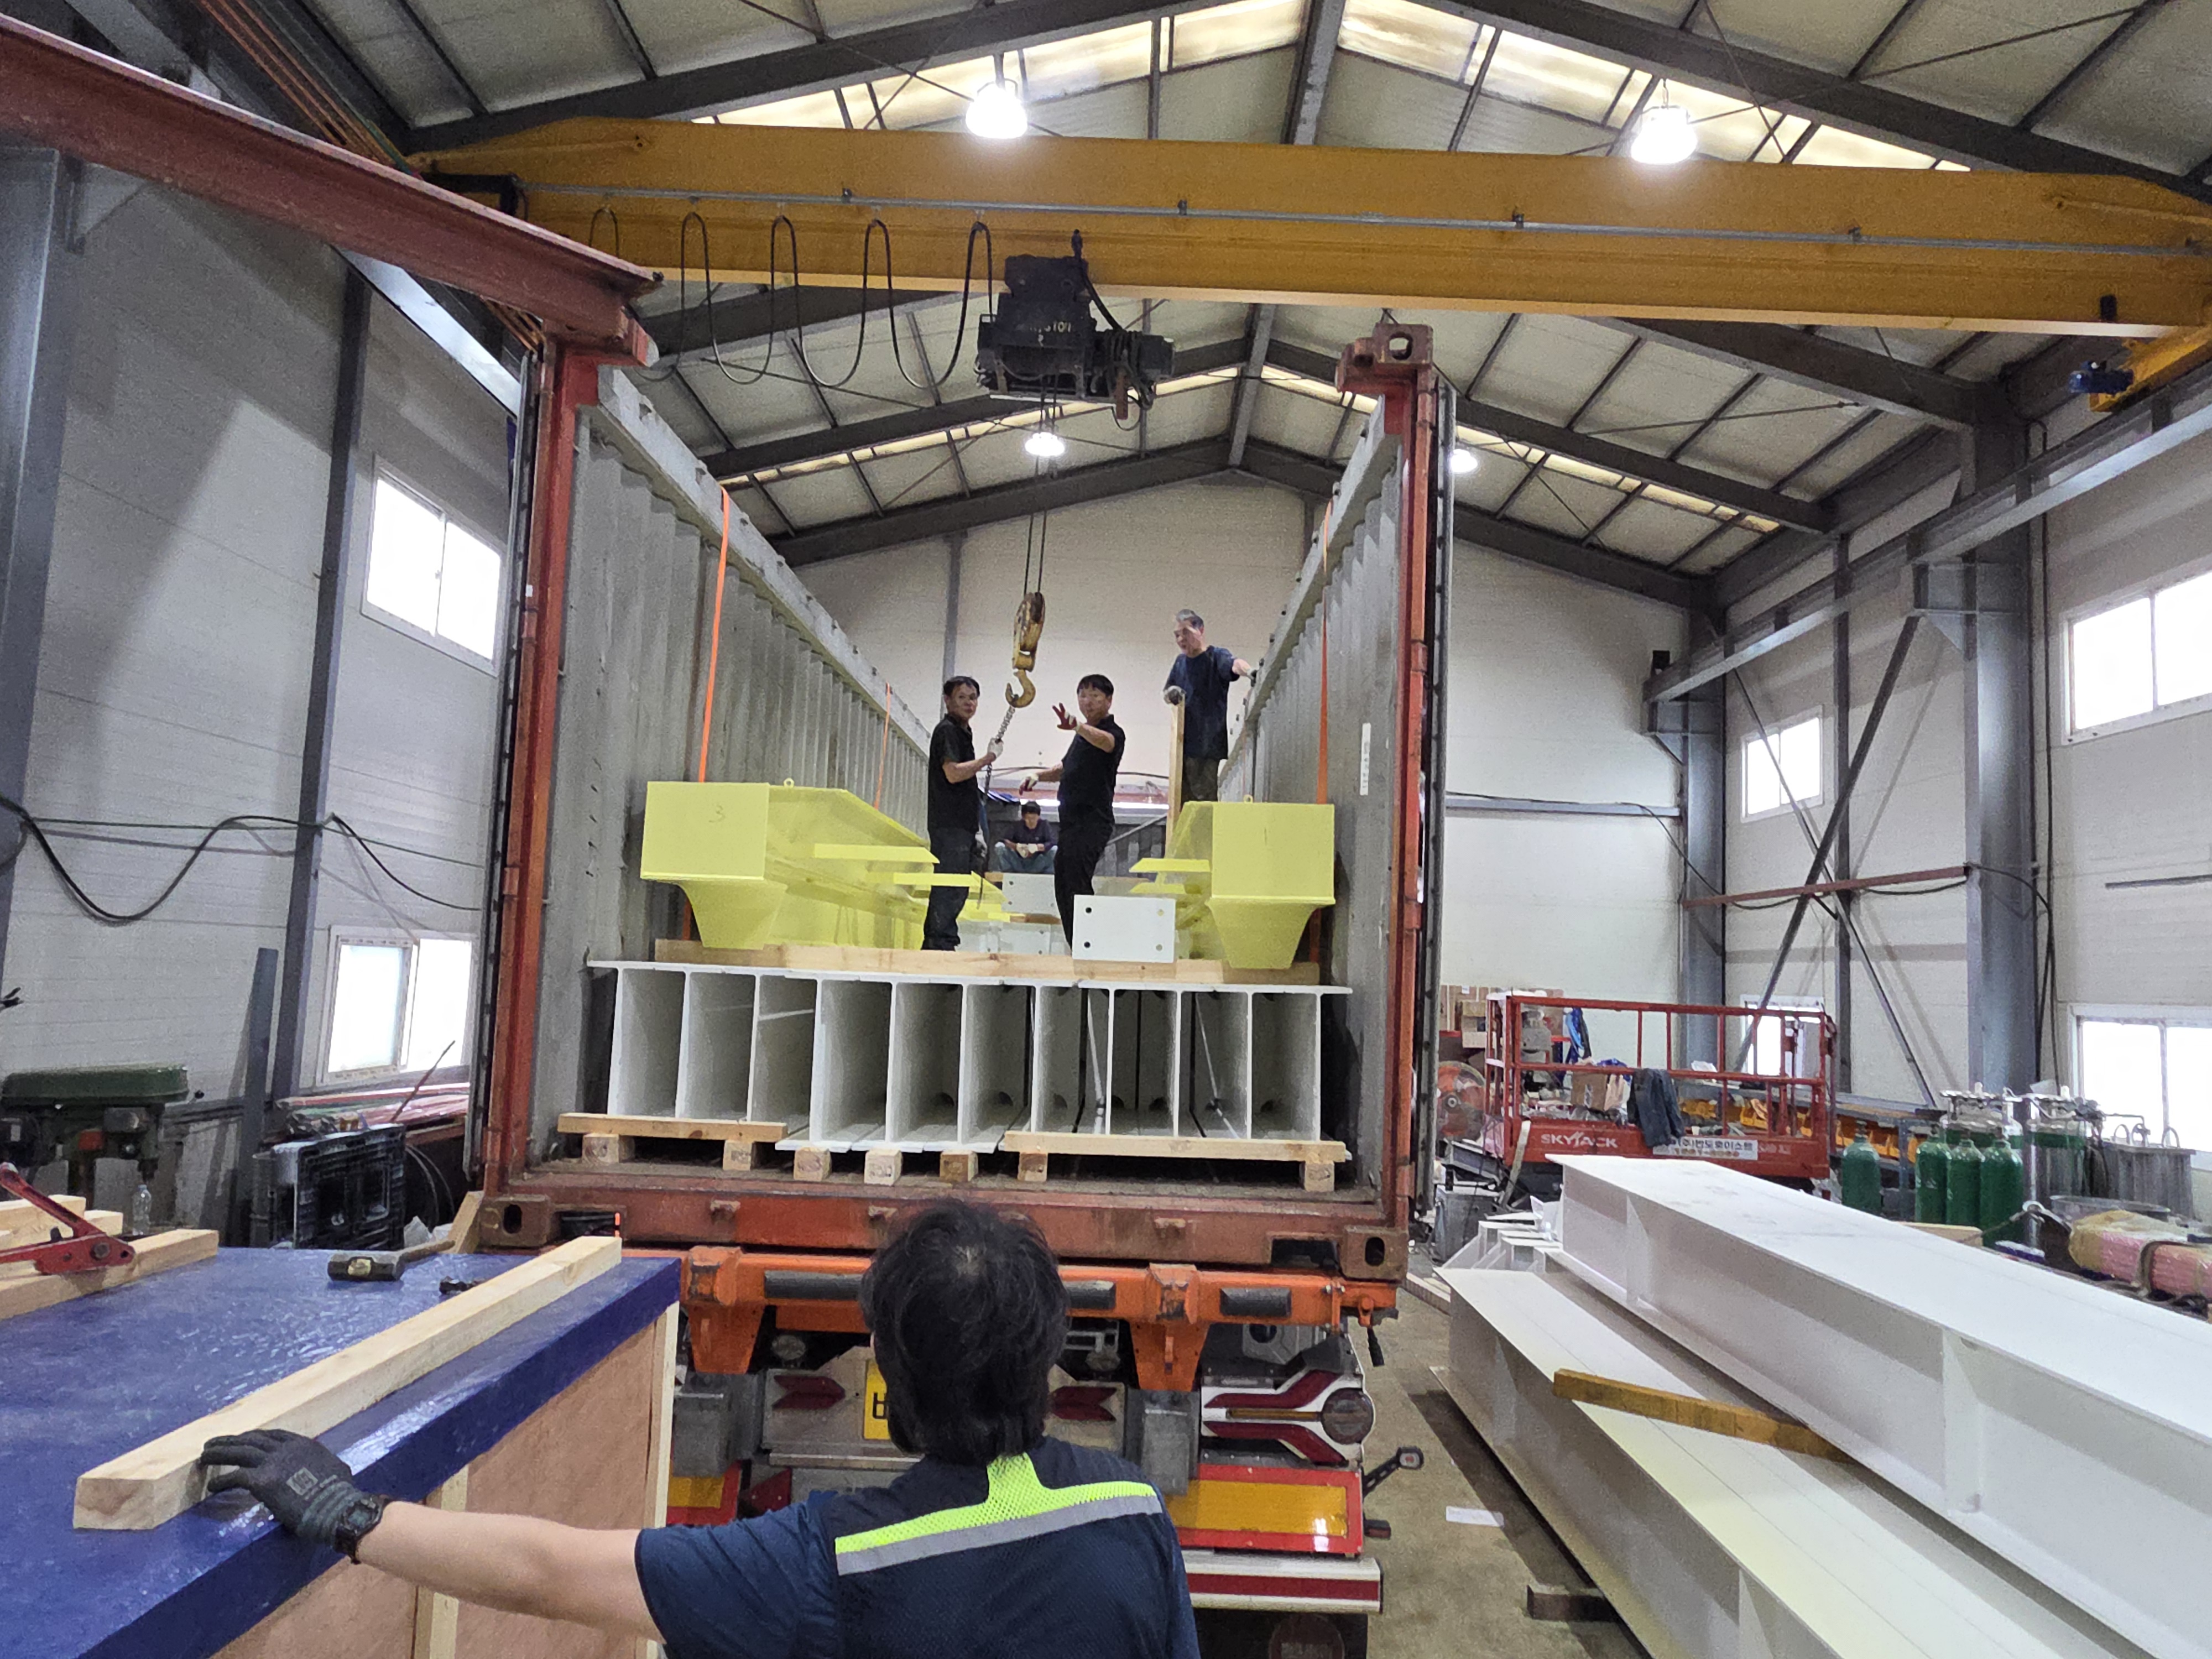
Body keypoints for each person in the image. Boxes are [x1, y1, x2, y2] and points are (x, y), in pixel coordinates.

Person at [196, 1203, 1200, 1659]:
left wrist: (350, 1512)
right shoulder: (1133, 1516)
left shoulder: (834, 1562)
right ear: (1050, 1352)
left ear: (889, 1375)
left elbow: (553, 1574)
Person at [1024, 674, 1124, 945]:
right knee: (1064, 883)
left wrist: (1078, 726)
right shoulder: (1082, 736)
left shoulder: (1112, 732)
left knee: (1077, 882)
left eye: (1095, 696)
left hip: (1093, 821)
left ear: (1109, 700)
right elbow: (1064, 768)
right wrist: (1038, 775)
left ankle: (1090, 944)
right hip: (1070, 823)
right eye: (1083, 695)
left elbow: (1107, 742)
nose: (1087, 701)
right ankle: (1078, 944)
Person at [925, 676, 999, 951]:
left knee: (958, 886)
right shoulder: (947, 731)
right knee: (949, 884)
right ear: (947, 701)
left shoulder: (963, 732)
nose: (969, 703)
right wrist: (988, 759)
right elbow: (953, 774)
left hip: (963, 825)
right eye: (962, 697)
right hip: (949, 824)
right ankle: (938, 944)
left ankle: (943, 941)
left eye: (973, 698)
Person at [1163, 610, 1252, 805]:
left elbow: (1235, 665)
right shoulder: (1180, 663)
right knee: (1181, 802)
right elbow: (1167, 692)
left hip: (1206, 743)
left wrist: (1250, 672)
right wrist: (1171, 693)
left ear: (1200, 630)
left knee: (1203, 801)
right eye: (1177, 635)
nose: (1181, 639)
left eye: (1185, 633)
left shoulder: (1216, 656)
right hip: (1182, 745)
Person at [993, 800, 1055, 874]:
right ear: (1023, 817)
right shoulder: (1017, 826)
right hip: (1019, 862)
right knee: (999, 847)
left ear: (1039, 817)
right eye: (1028, 819)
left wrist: (1041, 847)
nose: (1031, 822)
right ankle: (1009, 872)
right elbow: (1003, 839)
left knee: (1054, 850)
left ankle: (1047, 874)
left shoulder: (1044, 825)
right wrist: (1017, 847)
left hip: (1037, 862)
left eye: (1034, 819)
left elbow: (1052, 841)